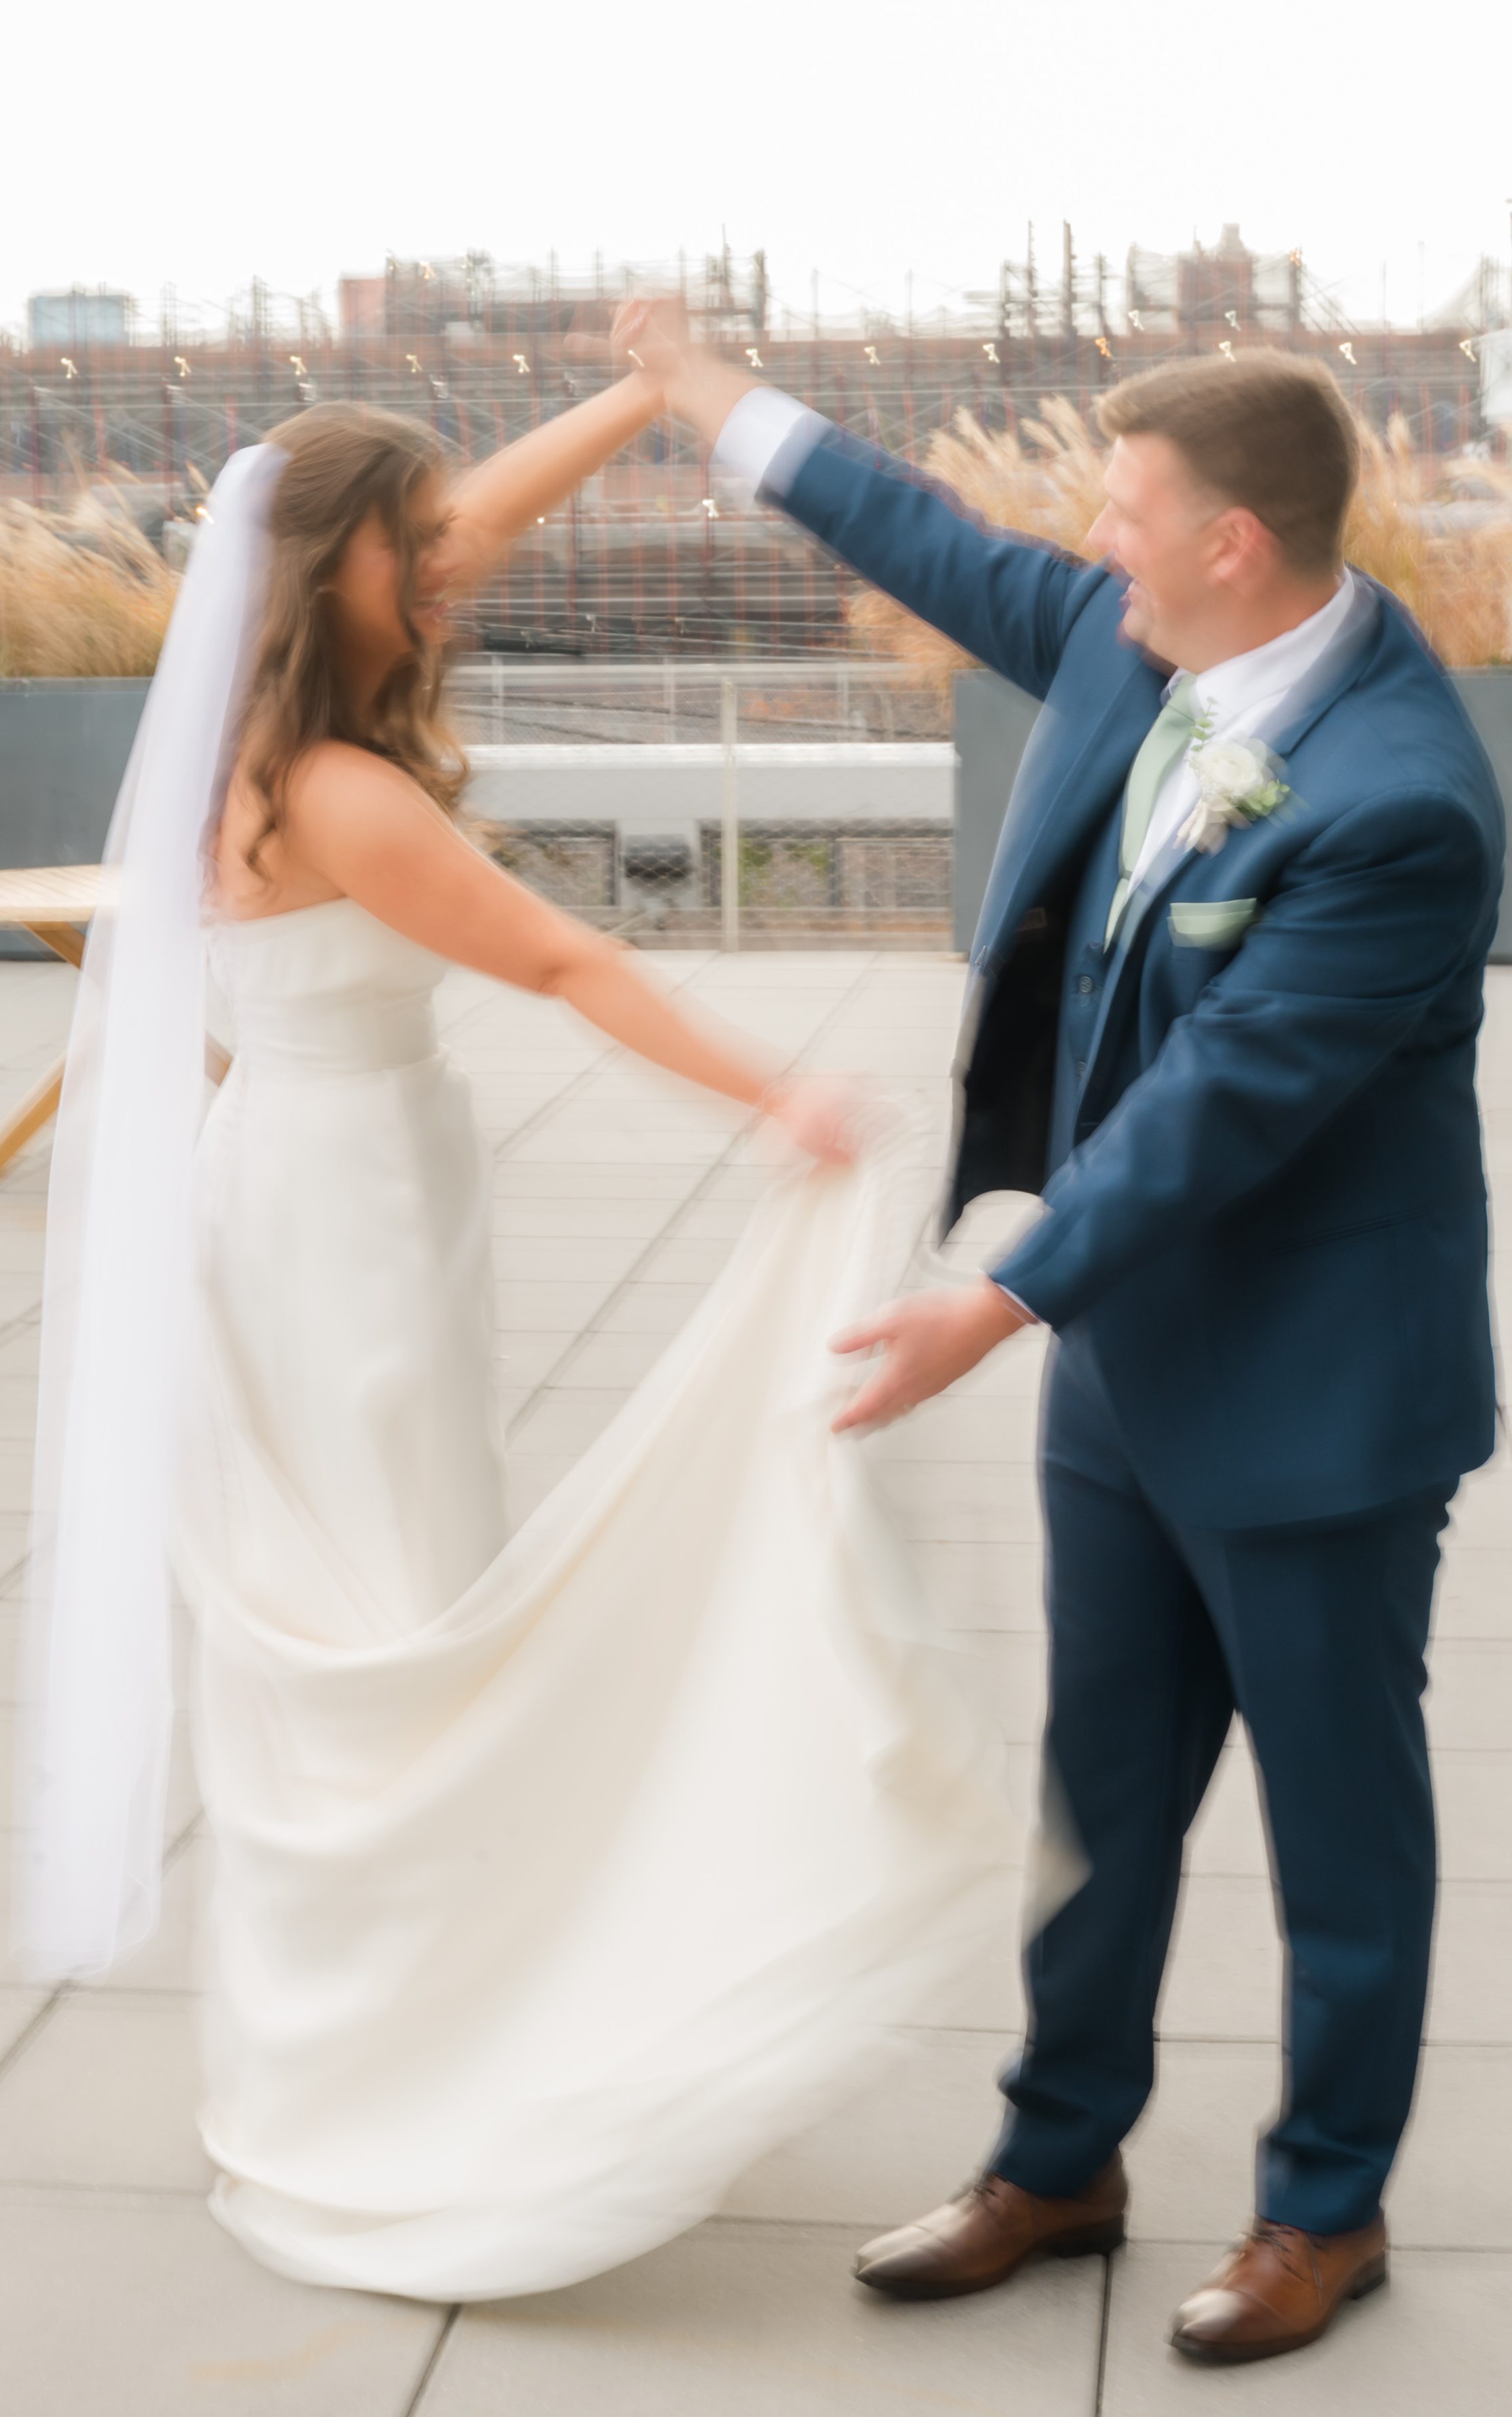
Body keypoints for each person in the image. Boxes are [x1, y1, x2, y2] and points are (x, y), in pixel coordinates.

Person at [19, 375, 1017, 2301]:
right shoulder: (348, 794)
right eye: (422, 550)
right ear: (345, 567)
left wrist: (638, 392)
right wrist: (778, 1102)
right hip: (357, 1225)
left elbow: (466, 525)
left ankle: (339, 2052)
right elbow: (570, 959)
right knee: (409, 1615)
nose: (458, 571)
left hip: (275, 1180)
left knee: (323, 1623)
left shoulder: (230, 744)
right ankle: (434, 2067)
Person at [632, 305, 1505, 2365]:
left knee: (1338, 1827)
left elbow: (1230, 1102)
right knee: (1096, 1796)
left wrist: (996, 1299)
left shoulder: (1403, 805)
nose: (1092, 551)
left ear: (1237, 545)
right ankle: (1060, 2160)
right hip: (1129, 1375)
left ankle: (1324, 2212)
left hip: (1314, 1395)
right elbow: (940, 547)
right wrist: (709, 404)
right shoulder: (1149, 645)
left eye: (1127, 521)